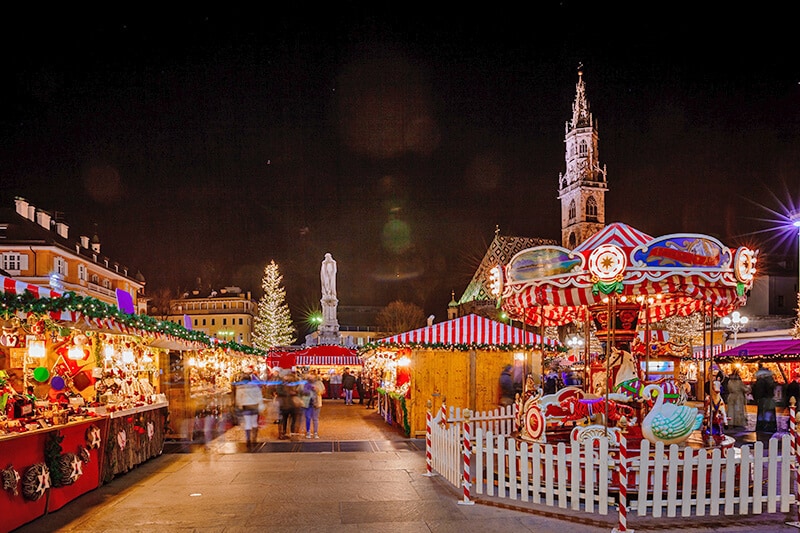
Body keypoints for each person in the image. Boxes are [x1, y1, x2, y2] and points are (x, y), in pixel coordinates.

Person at [234, 371, 263, 449]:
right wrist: (261, 405)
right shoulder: (255, 387)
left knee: (248, 423)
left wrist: (239, 405)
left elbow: (238, 398)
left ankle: (248, 439)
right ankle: (254, 438)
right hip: (254, 405)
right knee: (254, 423)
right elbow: (259, 396)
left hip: (246, 406)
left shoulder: (240, 388)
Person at [752, 364, 777, 433]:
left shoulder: (760, 381)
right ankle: (770, 426)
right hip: (769, 399)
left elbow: (757, 391)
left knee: (762, 413)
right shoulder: (770, 380)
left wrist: (756, 398)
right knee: (769, 413)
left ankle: (762, 426)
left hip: (762, 399)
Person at [304, 370, 325, 438]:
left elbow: (323, 391)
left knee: (315, 418)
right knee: (308, 418)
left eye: (312, 375)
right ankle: (308, 432)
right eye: (310, 375)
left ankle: (315, 432)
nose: (311, 376)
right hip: (308, 402)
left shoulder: (319, 383)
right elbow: (302, 391)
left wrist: (317, 390)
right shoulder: (305, 383)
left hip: (317, 402)